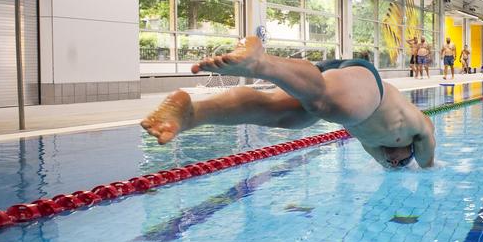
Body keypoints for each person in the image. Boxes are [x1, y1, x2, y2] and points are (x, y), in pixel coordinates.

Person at [140, 36, 435, 169]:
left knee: (283, 116)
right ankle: (261, 62)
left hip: (324, 83)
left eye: (396, 163)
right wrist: (426, 165)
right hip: (366, 84)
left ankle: (192, 113)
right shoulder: (418, 127)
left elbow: (387, 165)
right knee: (332, 106)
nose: (394, 162)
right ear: (411, 147)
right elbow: (428, 159)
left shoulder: (377, 149)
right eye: (402, 159)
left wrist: (393, 167)